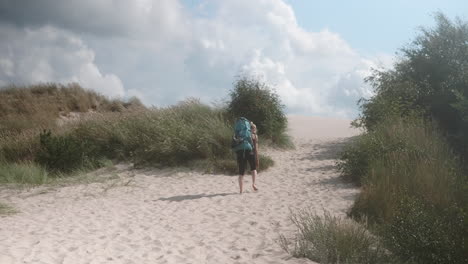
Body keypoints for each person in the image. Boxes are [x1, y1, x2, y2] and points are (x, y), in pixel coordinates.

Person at [232, 117, 258, 194]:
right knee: (253, 169)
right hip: (249, 151)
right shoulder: (253, 135)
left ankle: (241, 191)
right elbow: (256, 148)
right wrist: (257, 157)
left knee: (241, 173)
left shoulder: (238, 133)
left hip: (240, 151)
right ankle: (254, 184)